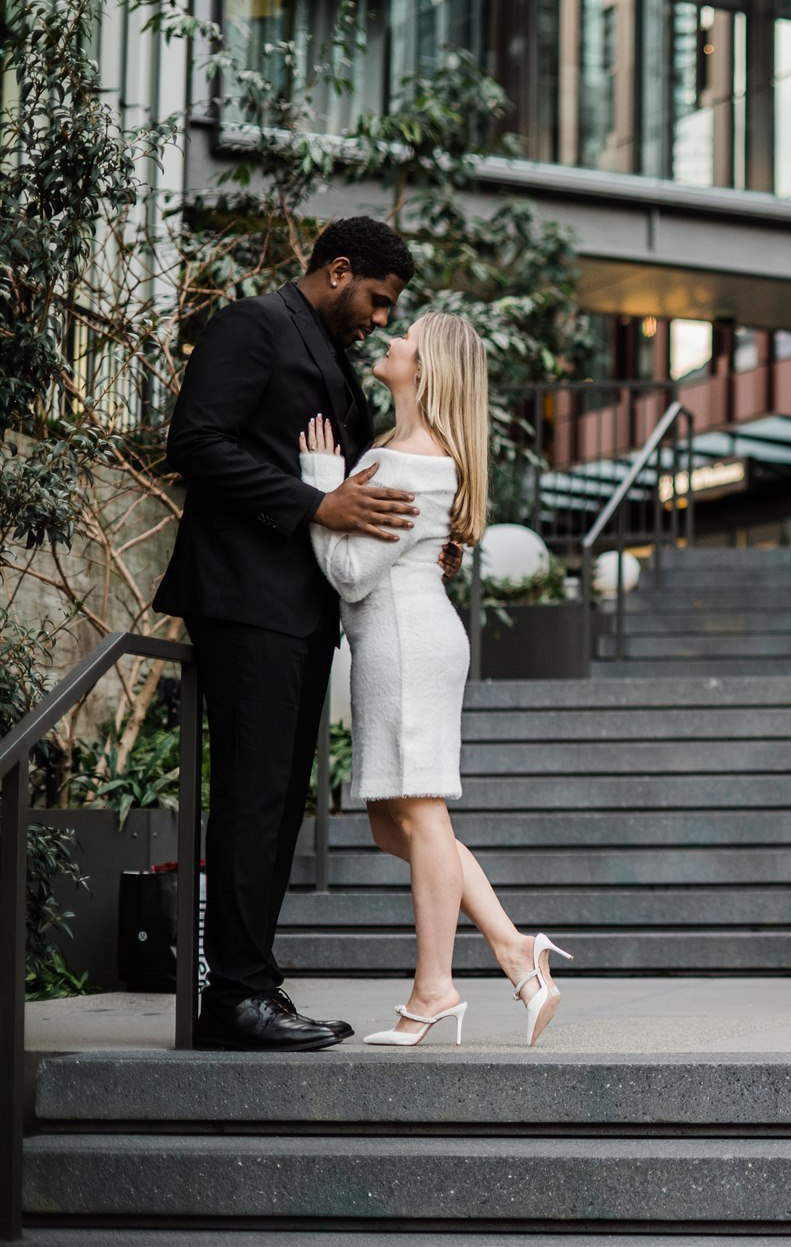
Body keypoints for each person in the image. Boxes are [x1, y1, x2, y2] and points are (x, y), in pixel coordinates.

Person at [155, 216, 458, 1053]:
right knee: (254, 797)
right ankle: (234, 1000)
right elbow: (195, 442)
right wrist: (313, 503)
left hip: (303, 613)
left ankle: (253, 982)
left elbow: (365, 487)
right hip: (244, 601)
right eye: (376, 299)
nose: (379, 318)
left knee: (281, 800)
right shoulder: (255, 324)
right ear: (338, 270)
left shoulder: (332, 359)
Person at [298, 311, 570, 1048]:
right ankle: (516, 951)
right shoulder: (403, 449)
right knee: (400, 822)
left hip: (402, 640)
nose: (390, 341)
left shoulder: (409, 461)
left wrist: (319, 485)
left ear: (427, 368)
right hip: (409, 637)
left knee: (418, 820)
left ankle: (433, 989)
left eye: (406, 337)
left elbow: (350, 573)